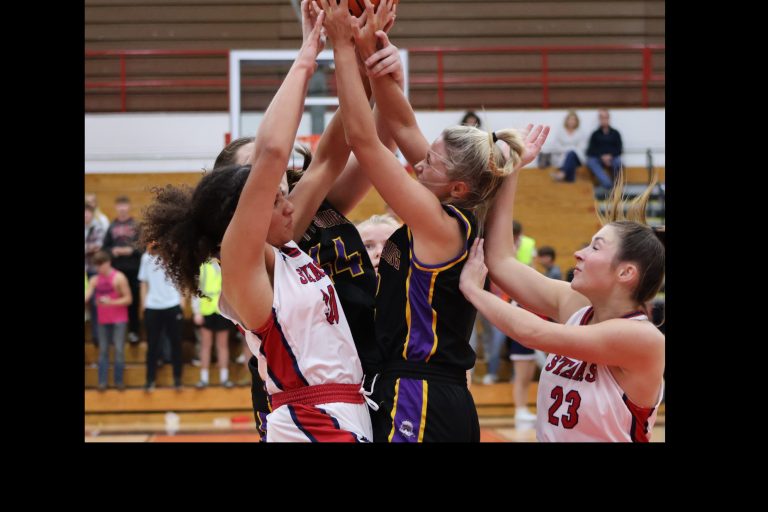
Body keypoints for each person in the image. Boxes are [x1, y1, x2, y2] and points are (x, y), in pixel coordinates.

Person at [141, 4, 373, 442]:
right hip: (309, 415)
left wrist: (357, 55)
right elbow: (271, 152)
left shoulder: (286, 241)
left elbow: (329, 156)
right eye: (271, 190)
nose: (286, 196)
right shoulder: (242, 258)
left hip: (349, 404)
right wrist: (308, 53)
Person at [322, 0, 530, 442]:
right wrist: (374, 52)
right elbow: (401, 124)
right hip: (433, 394)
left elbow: (364, 141)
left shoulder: (439, 223)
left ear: (458, 186)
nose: (418, 164)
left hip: (420, 393)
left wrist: (341, 48)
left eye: (430, 162)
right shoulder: (452, 203)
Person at [459, 144, 666, 442]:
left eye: (595, 247)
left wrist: (473, 291)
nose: (579, 253)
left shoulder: (641, 337)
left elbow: (534, 333)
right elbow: (502, 262)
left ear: (625, 273)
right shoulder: (578, 306)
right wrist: (512, 170)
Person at [84, 250, 132, 391]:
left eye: (101, 265)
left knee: (119, 349)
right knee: (103, 350)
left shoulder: (119, 277)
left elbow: (128, 299)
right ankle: (102, 382)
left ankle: (119, 381)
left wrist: (111, 302)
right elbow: (87, 296)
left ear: (108, 262)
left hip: (119, 319)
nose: (100, 269)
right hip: (103, 319)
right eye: (97, 266)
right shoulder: (95, 280)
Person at [138, 243, 184, 391]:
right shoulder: (146, 258)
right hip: (153, 306)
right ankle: (150, 380)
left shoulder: (175, 256)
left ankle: (178, 379)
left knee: (176, 343)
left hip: (173, 304)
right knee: (152, 344)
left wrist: (181, 303)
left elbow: (181, 280)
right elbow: (144, 282)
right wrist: (144, 305)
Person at [102, 195, 143, 343]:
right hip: (117, 271)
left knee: (133, 302)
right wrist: (113, 251)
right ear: (116, 207)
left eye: (124, 205)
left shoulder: (136, 225)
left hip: (134, 270)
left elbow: (143, 247)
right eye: (120, 206)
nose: (122, 209)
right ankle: (116, 334)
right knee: (116, 301)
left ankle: (134, 332)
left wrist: (130, 251)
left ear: (129, 207)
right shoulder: (112, 226)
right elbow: (104, 248)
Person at [191, 260, 234, 389]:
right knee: (206, 345)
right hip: (206, 310)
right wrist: (196, 311)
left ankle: (224, 378)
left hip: (223, 310)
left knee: (222, 345)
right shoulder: (202, 265)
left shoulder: (226, 264)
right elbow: (196, 290)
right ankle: (203, 379)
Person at [586, 108, 623, 193]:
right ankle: (608, 184)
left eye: (606, 117)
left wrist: (610, 156)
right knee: (590, 162)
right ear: (599, 119)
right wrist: (602, 156)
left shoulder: (615, 133)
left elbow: (619, 149)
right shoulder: (595, 134)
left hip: (613, 158)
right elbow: (590, 150)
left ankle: (617, 186)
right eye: (602, 117)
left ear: (609, 118)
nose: (604, 120)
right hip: (598, 158)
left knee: (618, 162)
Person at [550, 110, 586, 183]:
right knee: (570, 158)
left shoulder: (580, 133)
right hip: (562, 157)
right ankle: (569, 180)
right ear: (566, 121)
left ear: (577, 121)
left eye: (574, 119)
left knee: (571, 154)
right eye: (570, 119)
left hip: (577, 158)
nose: (571, 121)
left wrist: (569, 150)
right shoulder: (560, 132)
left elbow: (581, 148)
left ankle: (562, 174)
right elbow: (556, 147)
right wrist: (571, 148)